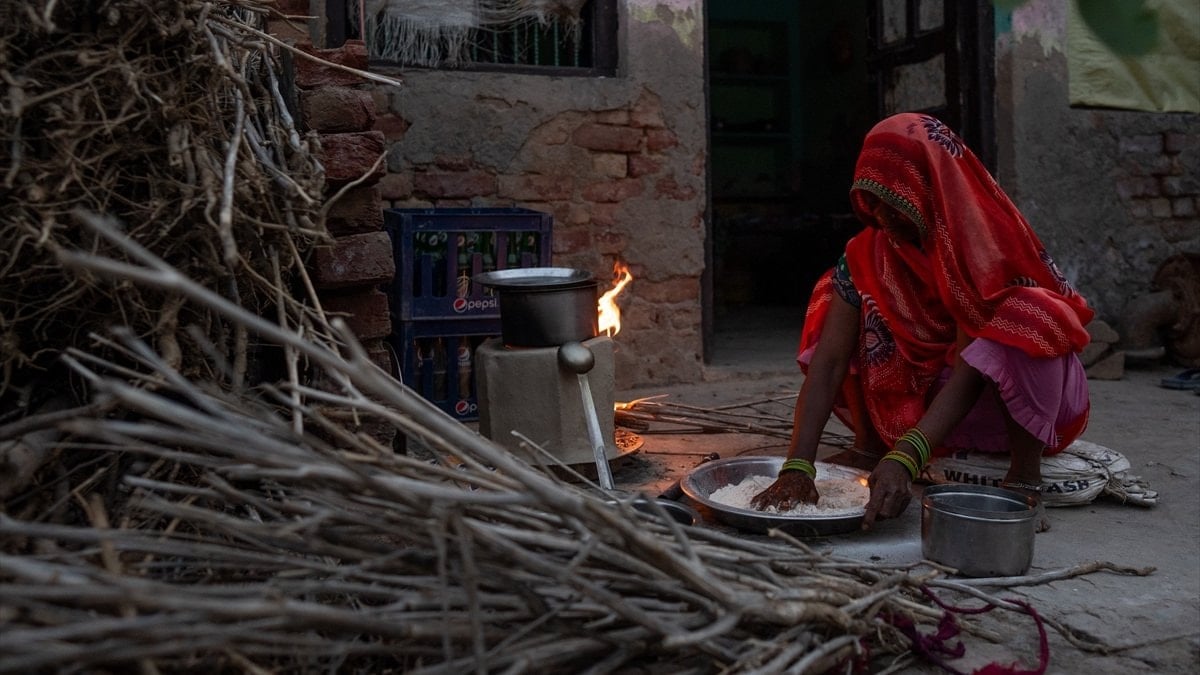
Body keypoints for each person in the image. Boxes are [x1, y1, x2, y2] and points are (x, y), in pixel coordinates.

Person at [750, 113, 1093, 530]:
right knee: (840, 293)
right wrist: (797, 466)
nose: (881, 214)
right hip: (931, 414)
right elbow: (829, 364)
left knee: (1028, 316)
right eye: (871, 199)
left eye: (893, 198)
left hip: (1010, 407)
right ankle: (870, 446)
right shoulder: (869, 252)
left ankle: (1024, 477)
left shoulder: (980, 248)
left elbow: (970, 373)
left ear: (930, 187)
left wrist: (908, 456)